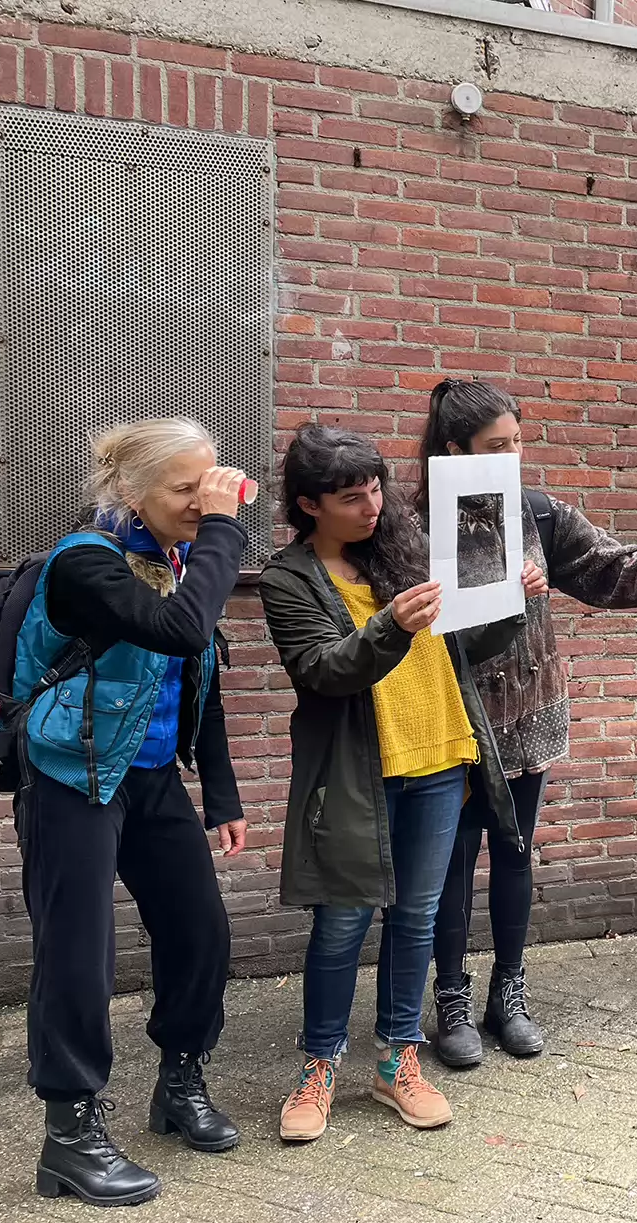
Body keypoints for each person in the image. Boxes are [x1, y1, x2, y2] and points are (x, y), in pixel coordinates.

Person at [422, 380, 637, 1068]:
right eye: (494, 446)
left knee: (513, 853)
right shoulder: (417, 525)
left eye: (516, 442)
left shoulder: (537, 512)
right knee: (448, 865)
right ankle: (449, 998)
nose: (511, 456)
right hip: (454, 720)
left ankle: (508, 992)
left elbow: (612, 572)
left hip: (529, 713)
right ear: (453, 451)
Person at [257, 426, 537, 1142]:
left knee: (416, 918)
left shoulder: (402, 551)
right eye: (352, 498)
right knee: (343, 921)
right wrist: (389, 625)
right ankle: (318, 1067)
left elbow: (464, 645)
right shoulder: (290, 578)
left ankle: (396, 1063)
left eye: (376, 489)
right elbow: (323, 671)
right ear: (310, 505)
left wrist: (509, 602)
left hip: (441, 758)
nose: (372, 507)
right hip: (359, 774)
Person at [13, 417, 248, 1207]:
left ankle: (178, 1083)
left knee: (200, 931)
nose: (203, 498)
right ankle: (70, 1136)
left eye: (209, 481)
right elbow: (182, 628)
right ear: (131, 494)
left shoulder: (178, 561)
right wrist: (223, 529)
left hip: (147, 777)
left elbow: (200, 672)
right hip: (73, 775)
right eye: (185, 488)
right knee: (79, 952)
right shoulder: (86, 563)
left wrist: (222, 794)